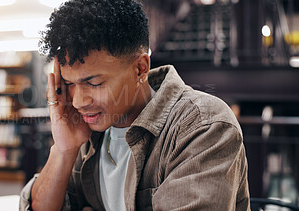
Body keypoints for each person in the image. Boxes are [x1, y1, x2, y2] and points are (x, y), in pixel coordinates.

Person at [20, 0, 250, 210]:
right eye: (69, 83)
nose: (79, 101)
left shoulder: (203, 125)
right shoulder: (87, 131)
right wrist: (63, 150)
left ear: (140, 68)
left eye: (94, 82)